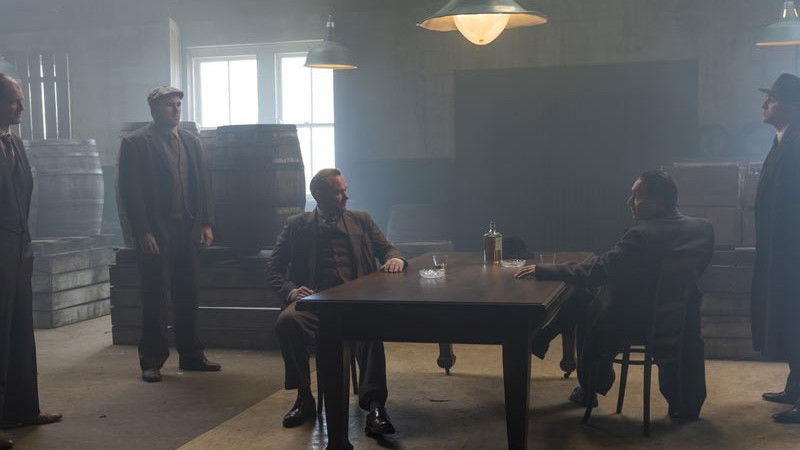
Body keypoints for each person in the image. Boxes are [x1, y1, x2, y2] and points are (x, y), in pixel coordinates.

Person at [515, 170, 714, 420]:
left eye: (637, 196)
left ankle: (585, 386)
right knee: (585, 294)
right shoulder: (702, 228)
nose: (629, 202)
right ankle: (544, 339)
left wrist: (545, 270)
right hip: (680, 318)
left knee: (583, 301)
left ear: (658, 202)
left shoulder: (642, 235)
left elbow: (599, 270)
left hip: (637, 321)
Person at [266, 168, 406, 435]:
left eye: (345, 190)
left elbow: (387, 248)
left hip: (357, 302)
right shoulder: (296, 225)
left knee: (371, 329)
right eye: (338, 192)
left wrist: (395, 258)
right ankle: (304, 397)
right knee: (287, 322)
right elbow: (273, 268)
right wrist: (291, 291)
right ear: (318, 195)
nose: (345, 196)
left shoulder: (361, 220)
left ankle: (375, 407)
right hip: (315, 303)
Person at [117, 86, 220, 383]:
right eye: (168, 105)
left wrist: (206, 223)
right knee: (155, 297)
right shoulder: (136, 143)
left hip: (187, 230)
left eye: (178, 105)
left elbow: (202, 184)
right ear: (153, 110)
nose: (175, 110)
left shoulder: (190, 141)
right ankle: (151, 361)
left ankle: (192, 355)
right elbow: (131, 192)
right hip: (156, 231)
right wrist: (142, 231)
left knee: (188, 294)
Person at [0, 73, 61, 449]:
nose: (21, 106)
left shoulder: (14, 143)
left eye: (21, 99)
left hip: (18, 251)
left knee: (21, 331)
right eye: (13, 100)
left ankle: (22, 409)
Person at [752, 73, 800, 423]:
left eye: (773, 98)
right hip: (779, 250)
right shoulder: (782, 141)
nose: (765, 104)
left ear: (794, 106)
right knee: (788, 320)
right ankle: (795, 387)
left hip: (794, 252)